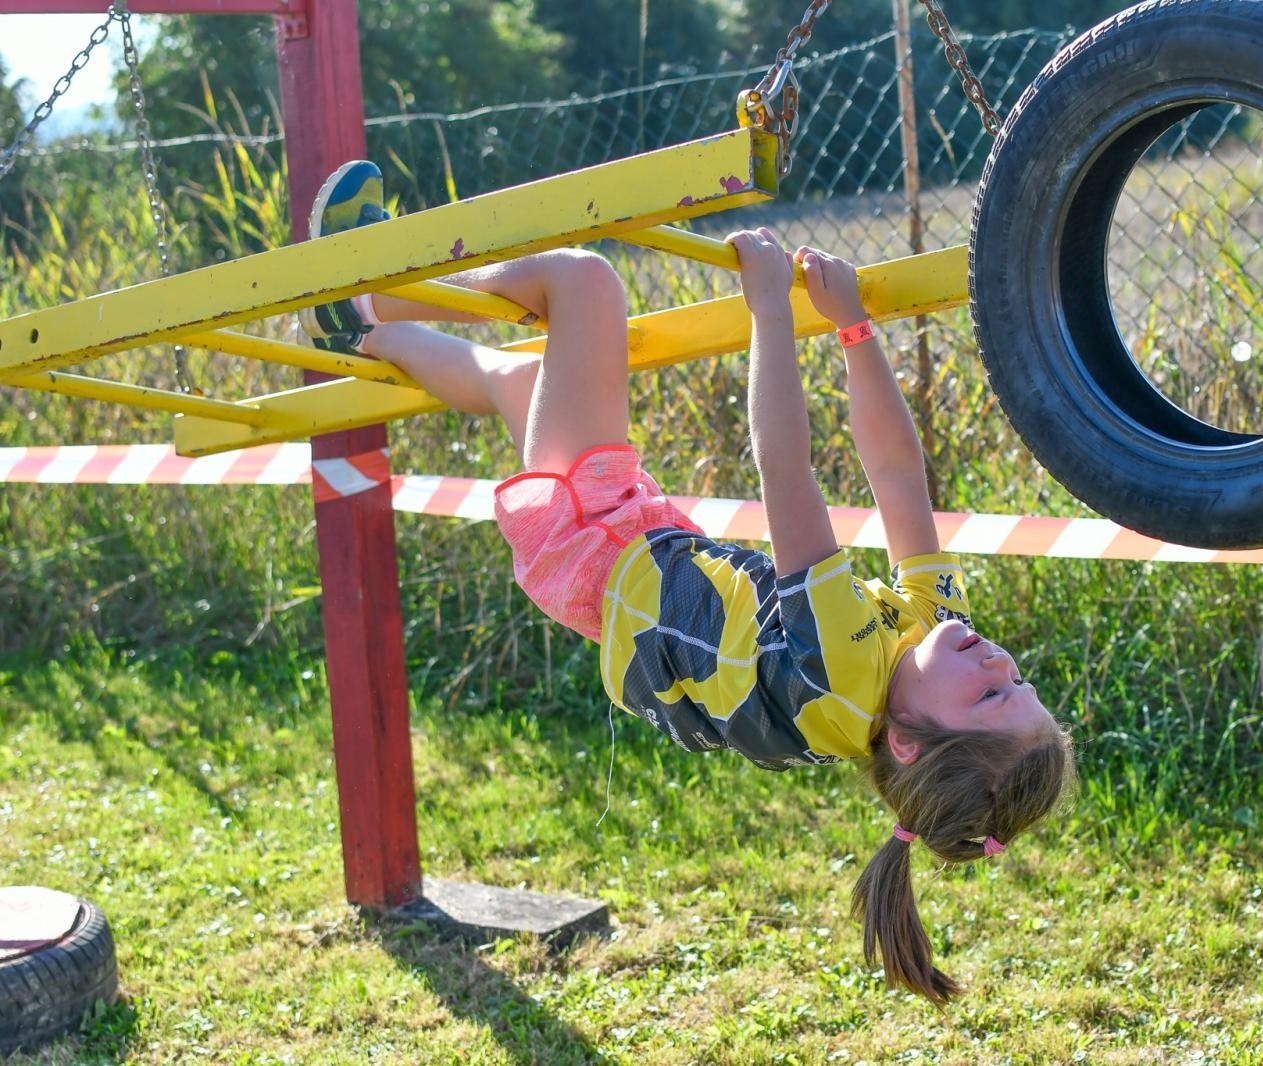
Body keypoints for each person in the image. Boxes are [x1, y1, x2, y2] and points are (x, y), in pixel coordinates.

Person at [299, 160, 1076, 1003]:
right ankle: (360, 331)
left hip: (593, 549)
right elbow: (895, 471)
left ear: (908, 742)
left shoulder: (847, 679)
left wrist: (771, 308)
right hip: (638, 546)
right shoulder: (929, 637)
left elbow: (786, 467)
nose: (1000, 664)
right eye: (1021, 682)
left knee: (584, 283)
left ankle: (368, 282)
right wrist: (853, 332)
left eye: (991, 698)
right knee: (518, 381)